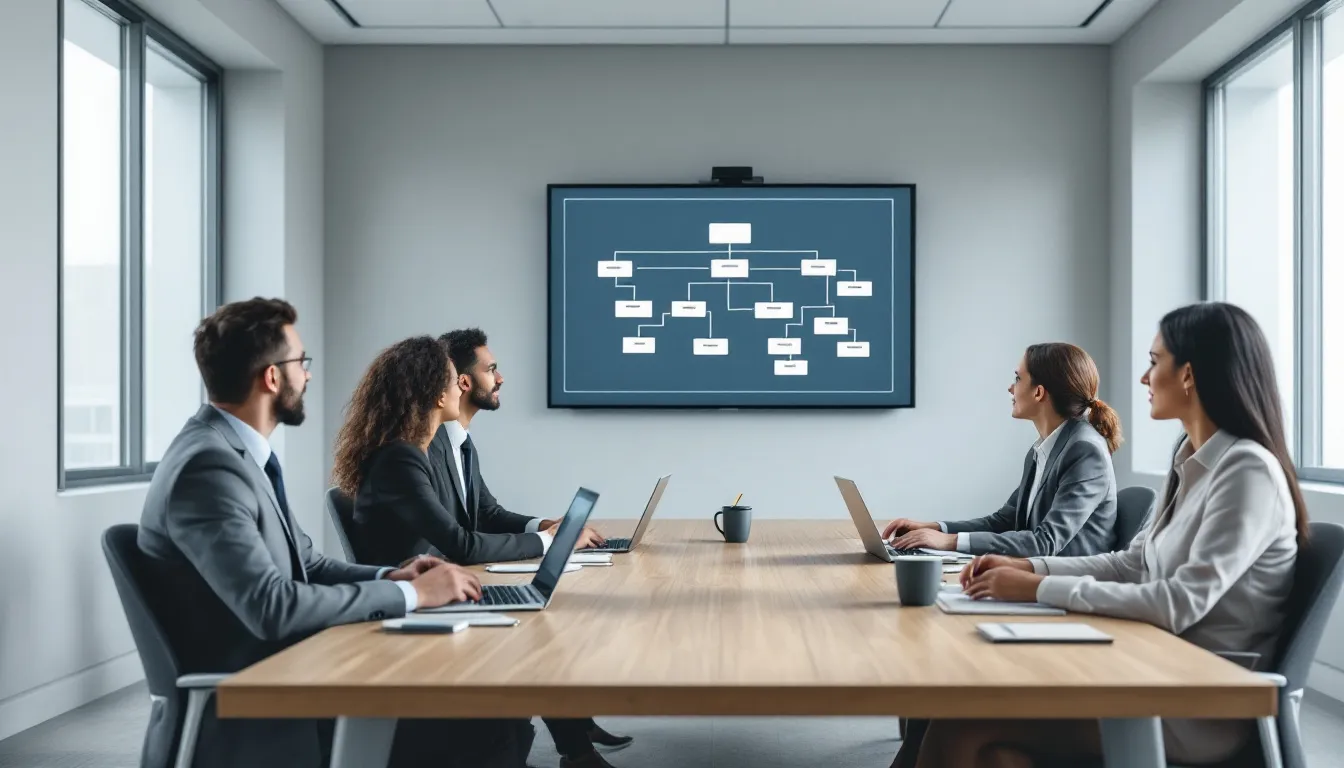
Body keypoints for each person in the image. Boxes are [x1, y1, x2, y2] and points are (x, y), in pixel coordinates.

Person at [913, 302, 1307, 768]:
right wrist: (1027, 566)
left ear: (1189, 375)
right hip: (1146, 665)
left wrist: (1037, 585)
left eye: (1154, 362)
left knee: (962, 727)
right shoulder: (1190, 457)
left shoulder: (1247, 471)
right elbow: (1130, 563)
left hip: (1198, 698)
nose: (1143, 378)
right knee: (975, 734)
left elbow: (1178, 603)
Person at [136, 298, 514, 768]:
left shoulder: (234, 454)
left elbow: (308, 564)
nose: (308, 376)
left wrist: (392, 577)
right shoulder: (208, 467)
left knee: (491, 719)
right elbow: (271, 607)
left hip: (298, 668)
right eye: (301, 363)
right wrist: (413, 598)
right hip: (264, 691)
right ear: (272, 378)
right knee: (486, 726)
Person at [338, 334, 625, 768]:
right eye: (456, 380)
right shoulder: (403, 458)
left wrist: (543, 529)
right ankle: (571, 745)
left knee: (538, 620)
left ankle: (574, 741)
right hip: (419, 607)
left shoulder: (421, 450)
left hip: (436, 591)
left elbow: (482, 514)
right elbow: (460, 542)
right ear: (439, 392)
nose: (462, 387)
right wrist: (549, 541)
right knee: (536, 631)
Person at [883, 342, 1123, 558]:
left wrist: (949, 542)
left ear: (1039, 392)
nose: (1010, 388)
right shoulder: (1043, 448)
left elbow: (1046, 542)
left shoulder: (1084, 451)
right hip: (1038, 574)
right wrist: (934, 529)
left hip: (1067, 587)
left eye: (1018, 379)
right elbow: (1005, 520)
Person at [430, 328, 608, 559]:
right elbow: (459, 542)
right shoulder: (428, 448)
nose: (500, 378)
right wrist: (552, 540)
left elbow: (488, 515)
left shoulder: (463, 443)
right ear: (464, 382)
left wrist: (547, 526)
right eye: (491, 370)